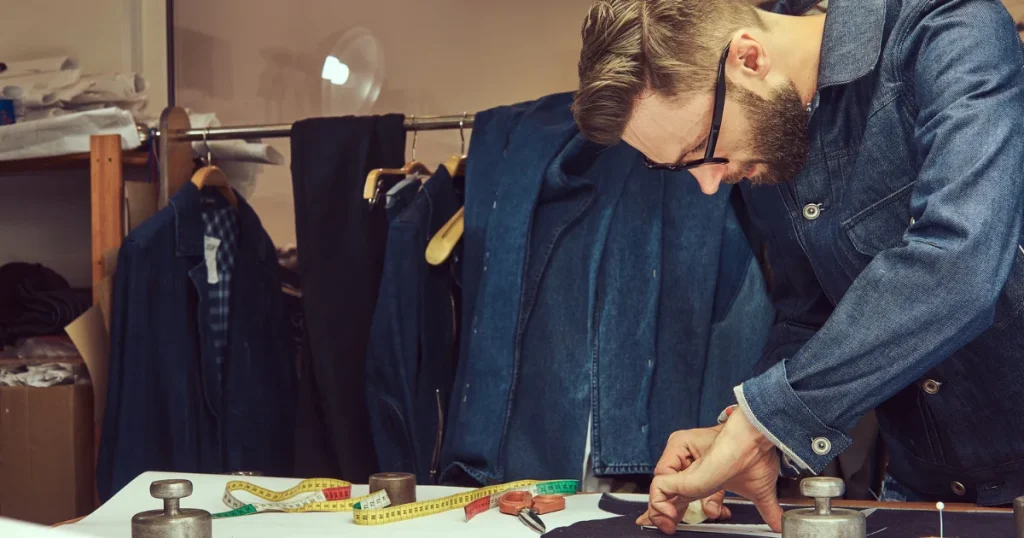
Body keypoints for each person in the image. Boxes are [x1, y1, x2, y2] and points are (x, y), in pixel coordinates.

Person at [572, 0, 1024, 533]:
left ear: (748, 58)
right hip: (920, 491)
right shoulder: (765, 141)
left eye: (704, 149)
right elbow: (809, 315)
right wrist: (741, 435)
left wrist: (765, 421)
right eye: (681, 167)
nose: (710, 183)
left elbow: (958, 264)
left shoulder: (947, 28)